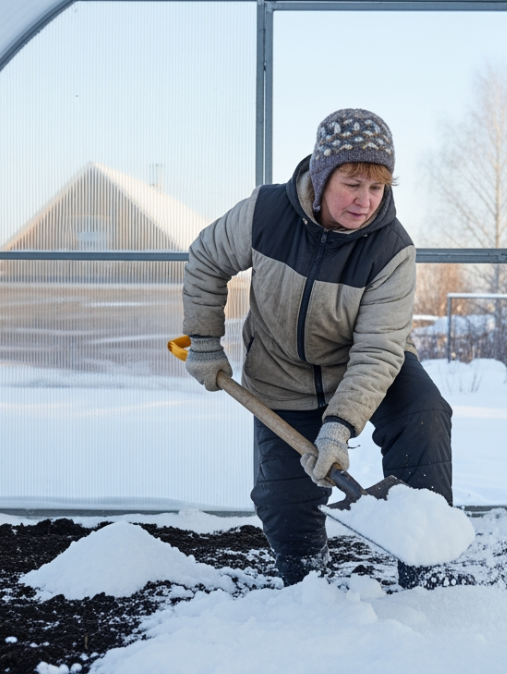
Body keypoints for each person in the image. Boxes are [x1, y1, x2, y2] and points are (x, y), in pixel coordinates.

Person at [180, 108, 453, 588]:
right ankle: (310, 585)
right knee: (284, 502)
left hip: (370, 368)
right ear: (323, 176)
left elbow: (378, 349)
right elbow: (205, 259)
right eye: (352, 183)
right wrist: (204, 342)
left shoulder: (391, 249)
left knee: (425, 415)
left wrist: (338, 427)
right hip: (280, 370)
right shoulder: (266, 213)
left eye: (377, 188)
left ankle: (423, 575)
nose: (365, 201)